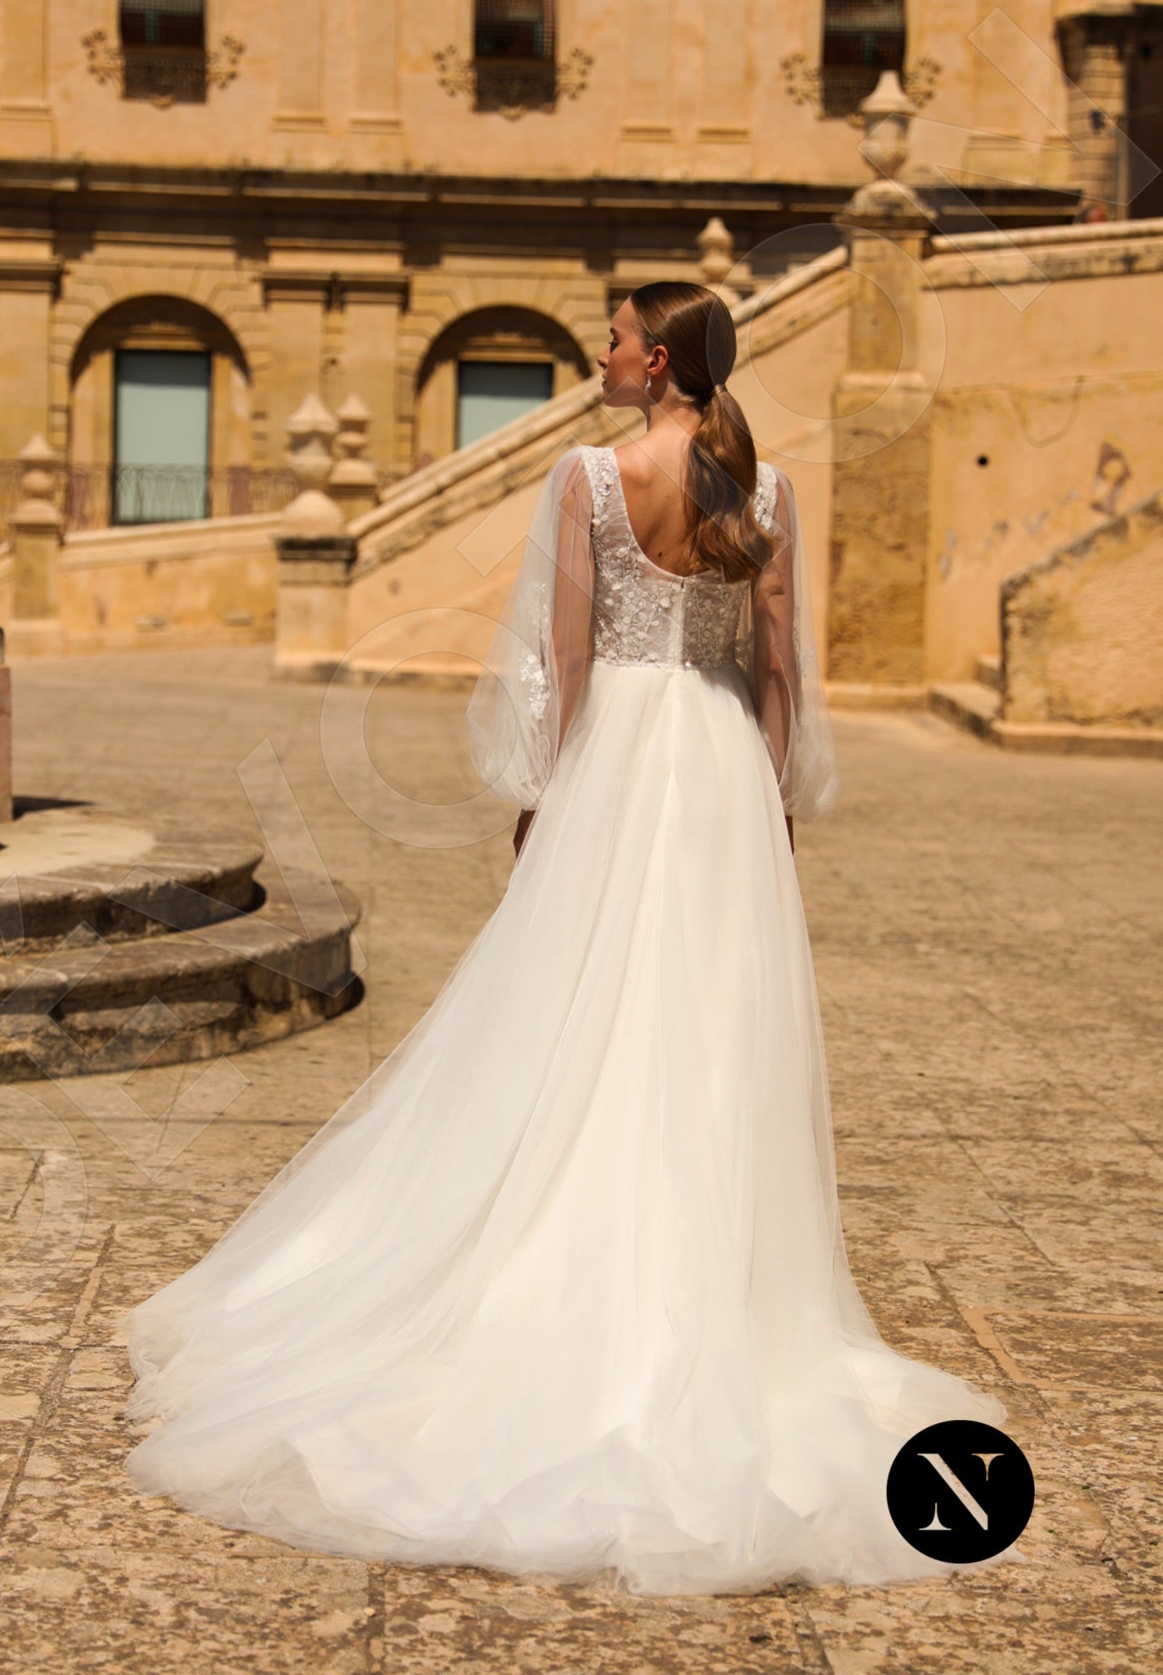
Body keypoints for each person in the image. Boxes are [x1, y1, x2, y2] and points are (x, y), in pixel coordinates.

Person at [122, 282, 1019, 1597]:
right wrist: (776, 798)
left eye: (615, 339)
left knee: (575, 1005)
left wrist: (545, 795)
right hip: (720, 767)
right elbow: (780, 666)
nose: (601, 354)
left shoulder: (593, 480)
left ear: (657, 362)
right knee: (710, 1026)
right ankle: (716, 1285)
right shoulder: (767, 491)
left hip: (621, 761)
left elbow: (566, 661)